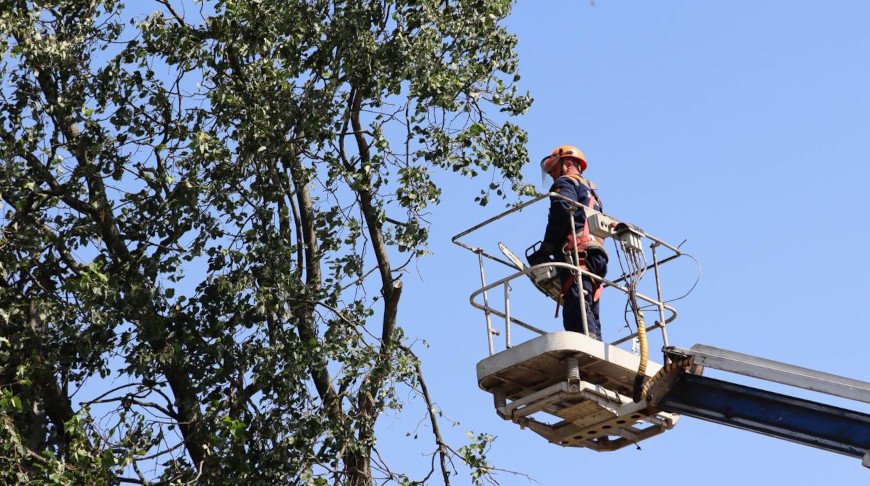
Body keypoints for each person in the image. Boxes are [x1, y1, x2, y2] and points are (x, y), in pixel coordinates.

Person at [527, 145, 608, 340]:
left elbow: (562, 211)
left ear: (568, 164)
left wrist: (547, 246)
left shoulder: (565, 183)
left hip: (577, 253)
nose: (554, 176)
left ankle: (585, 347)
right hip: (596, 253)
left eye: (554, 170)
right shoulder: (591, 192)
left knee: (576, 301)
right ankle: (594, 341)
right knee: (588, 300)